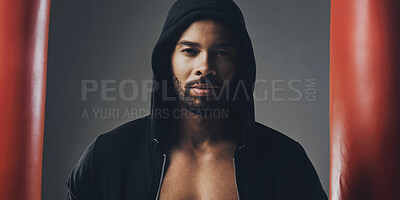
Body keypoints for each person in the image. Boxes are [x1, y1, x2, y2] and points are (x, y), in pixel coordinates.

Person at [67, 0, 327, 199]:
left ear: (240, 65)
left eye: (222, 52)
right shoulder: (108, 157)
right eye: (190, 51)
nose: (205, 66)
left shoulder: (286, 162)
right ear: (167, 60)